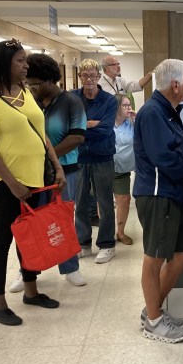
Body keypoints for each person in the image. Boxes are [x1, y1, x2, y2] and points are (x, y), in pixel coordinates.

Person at [0, 39, 65, 326]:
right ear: (4, 63)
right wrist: (12, 183)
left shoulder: (25, 92)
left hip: (37, 176)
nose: (26, 66)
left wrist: (57, 166)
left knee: (31, 236)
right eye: (21, 61)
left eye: (26, 61)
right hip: (5, 182)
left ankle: (31, 291)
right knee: (2, 238)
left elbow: (42, 134)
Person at [8, 53, 87, 292]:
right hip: (30, 172)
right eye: (29, 83)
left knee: (61, 219)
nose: (32, 87)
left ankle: (70, 267)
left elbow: (76, 137)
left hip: (65, 171)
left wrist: (47, 157)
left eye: (37, 83)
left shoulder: (71, 102)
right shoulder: (27, 101)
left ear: (52, 80)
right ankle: (27, 270)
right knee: (30, 221)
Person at [134, 58, 183, 343]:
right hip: (159, 195)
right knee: (154, 258)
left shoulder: (167, 111)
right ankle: (154, 321)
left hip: (173, 194)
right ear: (174, 84)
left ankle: (152, 310)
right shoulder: (152, 113)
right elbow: (164, 159)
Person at [72, 59, 118, 264]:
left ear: (99, 77)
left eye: (92, 75)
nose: (89, 79)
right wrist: (89, 124)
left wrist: (80, 129)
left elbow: (105, 130)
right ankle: (83, 243)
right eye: (84, 76)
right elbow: (66, 128)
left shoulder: (109, 100)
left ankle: (107, 245)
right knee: (80, 202)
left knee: (105, 203)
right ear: (79, 77)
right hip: (79, 157)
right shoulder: (72, 98)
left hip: (103, 157)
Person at [113, 93, 136, 245]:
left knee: (124, 200)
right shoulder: (106, 122)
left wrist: (138, 120)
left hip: (122, 169)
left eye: (129, 105)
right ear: (117, 107)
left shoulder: (132, 124)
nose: (129, 108)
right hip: (104, 167)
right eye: (125, 105)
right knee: (103, 202)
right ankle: (107, 231)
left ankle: (120, 232)